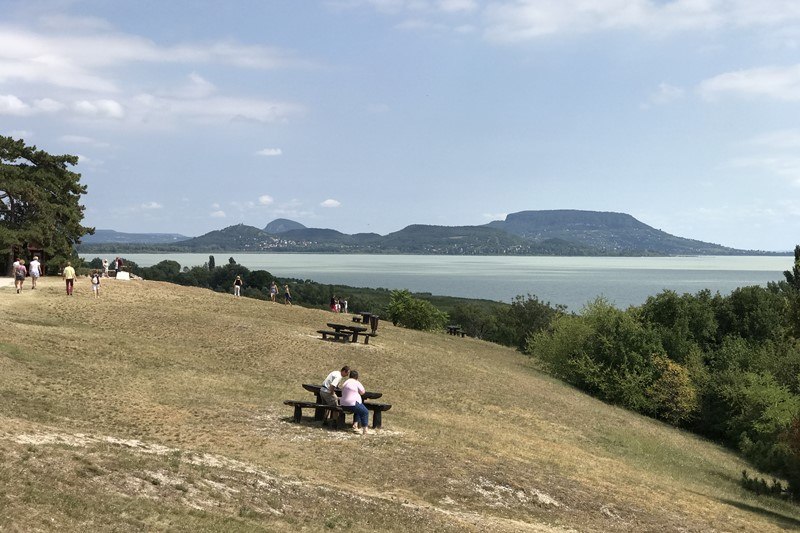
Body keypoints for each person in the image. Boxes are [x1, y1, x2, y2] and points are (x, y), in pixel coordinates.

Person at [340, 369, 370, 435]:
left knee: (359, 409)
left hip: (343, 404)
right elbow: (362, 392)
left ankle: (355, 424)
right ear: (357, 377)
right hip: (352, 403)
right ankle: (365, 429)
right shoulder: (356, 382)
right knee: (365, 412)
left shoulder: (345, 382)